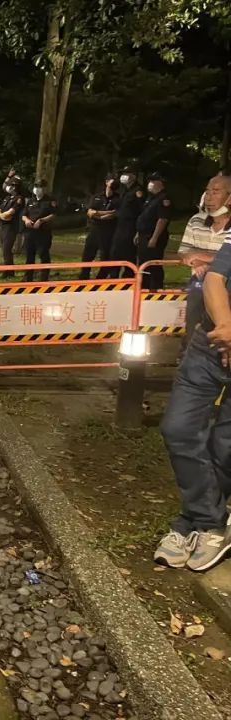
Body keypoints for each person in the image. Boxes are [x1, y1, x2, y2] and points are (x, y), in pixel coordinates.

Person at [159, 176, 231, 572]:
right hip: (211, 342)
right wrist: (225, 328)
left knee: (225, 445)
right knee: (179, 428)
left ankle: (193, 523)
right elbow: (216, 279)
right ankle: (210, 521)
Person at [178, 175, 231, 340]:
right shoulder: (196, 220)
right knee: (193, 327)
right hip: (199, 284)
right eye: (207, 192)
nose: (209, 197)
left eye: (215, 192)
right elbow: (183, 252)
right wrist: (196, 261)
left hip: (228, 286)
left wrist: (203, 257)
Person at [104, 166, 146, 279]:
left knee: (128, 254)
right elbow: (110, 197)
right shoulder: (124, 190)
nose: (124, 176)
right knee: (115, 253)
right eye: (123, 173)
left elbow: (142, 212)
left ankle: (128, 279)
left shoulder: (138, 191)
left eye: (127, 173)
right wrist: (109, 185)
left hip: (131, 227)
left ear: (134, 176)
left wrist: (138, 231)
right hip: (120, 225)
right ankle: (114, 278)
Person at [136, 172, 172, 291]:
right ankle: (144, 287)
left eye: (153, 181)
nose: (150, 184)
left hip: (153, 236)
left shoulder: (164, 199)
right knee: (143, 263)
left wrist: (154, 238)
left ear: (160, 183)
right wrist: (138, 233)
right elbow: (144, 216)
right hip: (144, 234)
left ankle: (156, 288)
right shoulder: (151, 198)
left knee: (153, 263)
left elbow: (162, 219)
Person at [79, 175, 119, 280]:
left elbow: (114, 213)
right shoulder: (96, 197)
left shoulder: (118, 198)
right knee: (88, 254)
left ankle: (100, 279)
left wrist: (97, 213)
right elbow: (90, 212)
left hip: (108, 231)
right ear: (106, 182)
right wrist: (103, 214)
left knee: (105, 256)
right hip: (94, 229)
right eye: (112, 181)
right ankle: (83, 277)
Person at [21, 180, 56, 282]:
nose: (37, 189)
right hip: (30, 232)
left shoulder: (50, 201)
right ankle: (28, 277)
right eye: (36, 186)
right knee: (29, 255)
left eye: (40, 187)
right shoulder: (30, 201)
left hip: (43, 232)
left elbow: (53, 214)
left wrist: (41, 220)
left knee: (43, 254)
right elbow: (24, 214)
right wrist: (26, 220)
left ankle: (44, 278)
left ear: (44, 188)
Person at [0, 178, 25, 276]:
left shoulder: (19, 199)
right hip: (3, 225)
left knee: (7, 249)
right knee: (4, 248)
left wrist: (2, 215)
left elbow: (10, 213)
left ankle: (8, 271)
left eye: (10, 185)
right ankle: (9, 270)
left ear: (15, 187)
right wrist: (1, 215)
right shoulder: (7, 198)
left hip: (11, 226)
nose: (8, 187)